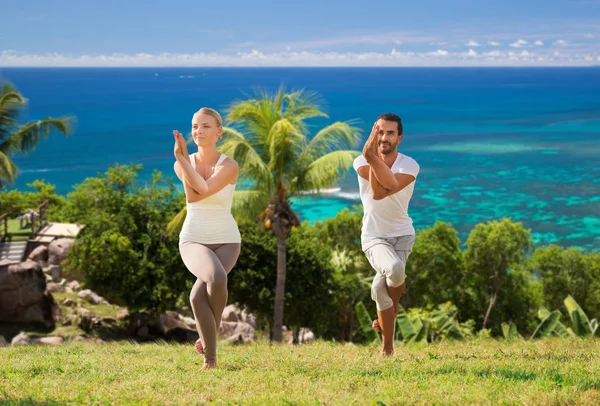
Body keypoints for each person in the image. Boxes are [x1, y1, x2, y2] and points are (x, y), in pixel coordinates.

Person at [173, 107, 241, 369]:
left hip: (227, 240)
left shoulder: (229, 165)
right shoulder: (182, 164)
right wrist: (182, 161)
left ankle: (209, 360)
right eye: (194, 126)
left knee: (196, 298)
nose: (198, 131)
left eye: (205, 126)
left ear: (219, 132)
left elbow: (204, 188)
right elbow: (193, 197)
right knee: (217, 277)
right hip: (193, 239)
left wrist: (183, 161)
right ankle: (216, 329)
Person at [353, 112, 420, 356]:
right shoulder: (360, 161)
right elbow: (377, 191)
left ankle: (387, 350)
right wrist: (370, 156)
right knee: (394, 269)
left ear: (399, 138)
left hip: (403, 235)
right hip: (374, 238)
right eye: (379, 131)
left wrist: (372, 156)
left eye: (390, 132)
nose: (384, 137)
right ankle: (393, 319)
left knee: (379, 289)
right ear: (373, 133)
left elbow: (384, 190)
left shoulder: (409, 165)